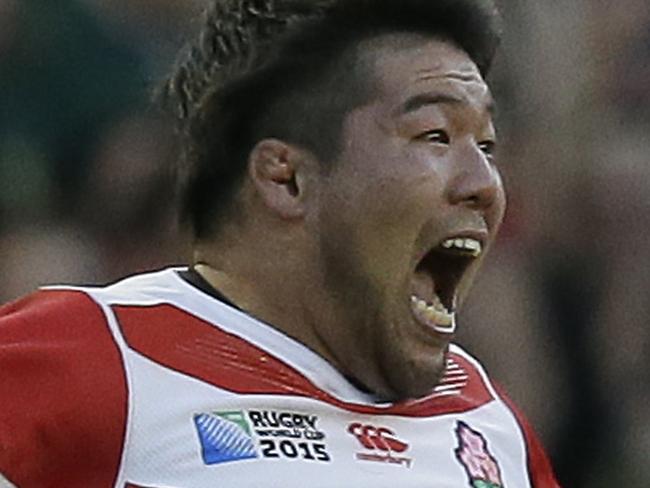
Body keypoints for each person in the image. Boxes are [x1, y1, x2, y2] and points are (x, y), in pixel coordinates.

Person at [0, 0, 560, 486]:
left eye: (486, 145)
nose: (485, 185)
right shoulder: (100, 357)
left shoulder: (489, 425)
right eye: (435, 135)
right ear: (285, 178)